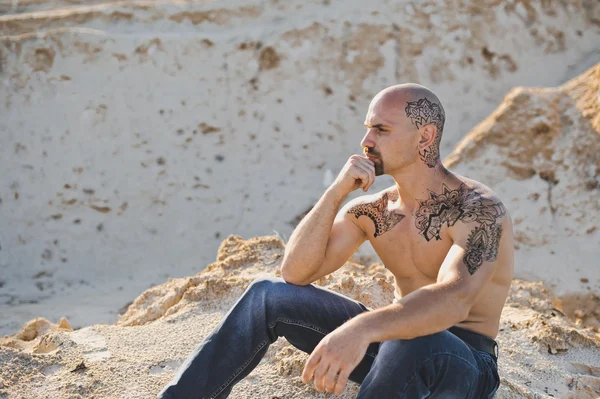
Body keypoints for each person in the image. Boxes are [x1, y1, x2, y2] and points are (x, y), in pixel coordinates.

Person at [157, 83, 513, 399]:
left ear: (424, 137)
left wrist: (361, 328)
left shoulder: (477, 210)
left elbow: (455, 299)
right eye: (367, 129)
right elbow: (295, 273)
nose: (366, 141)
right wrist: (335, 193)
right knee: (268, 294)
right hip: (393, 345)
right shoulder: (374, 211)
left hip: (465, 365)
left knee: (412, 339)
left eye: (381, 129)